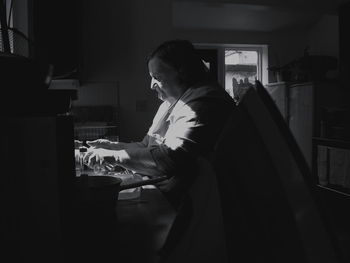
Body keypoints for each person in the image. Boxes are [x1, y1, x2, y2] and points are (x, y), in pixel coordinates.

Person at [83, 39, 235, 262]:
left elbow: (169, 159)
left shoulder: (204, 101)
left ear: (182, 72)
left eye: (158, 77)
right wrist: (111, 146)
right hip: (174, 201)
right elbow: (147, 146)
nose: (151, 85)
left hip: (199, 212)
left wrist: (113, 155)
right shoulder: (171, 102)